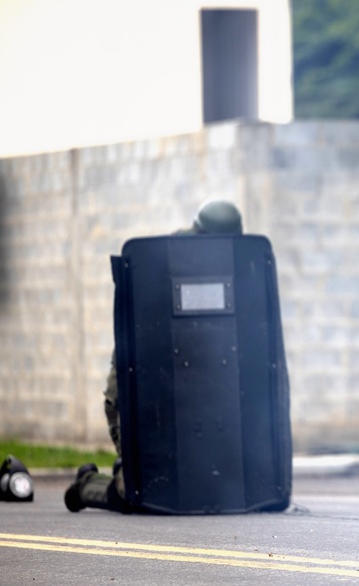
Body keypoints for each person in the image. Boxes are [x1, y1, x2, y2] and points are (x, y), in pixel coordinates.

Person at [65, 199, 243, 513]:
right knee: (140, 492)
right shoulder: (168, 265)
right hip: (137, 396)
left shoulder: (231, 268)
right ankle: (89, 484)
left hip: (191, 404)